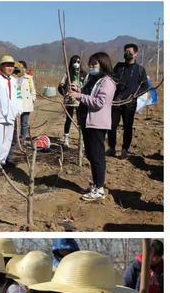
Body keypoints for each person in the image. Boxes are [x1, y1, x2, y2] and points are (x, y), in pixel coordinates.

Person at [68, 52, 116, 201]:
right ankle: (96, 185)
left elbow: (99, 102)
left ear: (103, 64)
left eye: (94, 64)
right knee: (91, 155)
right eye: (90, 64)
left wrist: (79, 97)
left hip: (97, 123)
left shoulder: (107, 82)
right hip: (88, 122)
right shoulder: (94, 79)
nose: (91, 67)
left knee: (97, 156)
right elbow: (89, 94)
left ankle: (99, 189)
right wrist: (79, 91)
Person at [107, 43, 148, 159]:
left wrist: (135, 95)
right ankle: (111, 148)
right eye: (126, 51)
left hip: (130, 104)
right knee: (112, 126)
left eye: (130, 52)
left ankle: (125, 149)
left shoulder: (140, 70)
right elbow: (111, 80)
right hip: (116, 102)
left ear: (136, 54)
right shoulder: (119, 66)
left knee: (128, 127)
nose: (127, 53)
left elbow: (145, 86)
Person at [0, 55, 22, 173]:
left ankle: (2, 162)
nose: (10, 68)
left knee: (7, 141)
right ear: (2, 66)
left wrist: (18, 109)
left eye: (12, 66)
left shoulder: (13, 80)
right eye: (7, 65)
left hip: (11, 116)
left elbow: (18, 96)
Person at [58, 54, 87, 147]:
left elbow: (87, 87)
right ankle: (66, 139)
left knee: (80, 120)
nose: (76, 64)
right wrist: (66, 94)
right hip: (69, 101)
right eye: (74, 62)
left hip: (80, 100)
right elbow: (60, 86)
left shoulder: (84, 74)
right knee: (68, 119)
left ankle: (81, 139)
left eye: (78, 62)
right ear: (71, 63)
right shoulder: (67, 74)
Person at [16, 61, 36, 140]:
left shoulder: (28, 78)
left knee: (24, 123)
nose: (21, 69)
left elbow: (32, 90)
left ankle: (23, 138)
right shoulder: (14, 77)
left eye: (22, 67)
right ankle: (15, 139)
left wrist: (33, 99)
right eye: (19, 67)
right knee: (15, 123)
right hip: (16, 103)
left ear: (25, 68)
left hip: (26, 103)